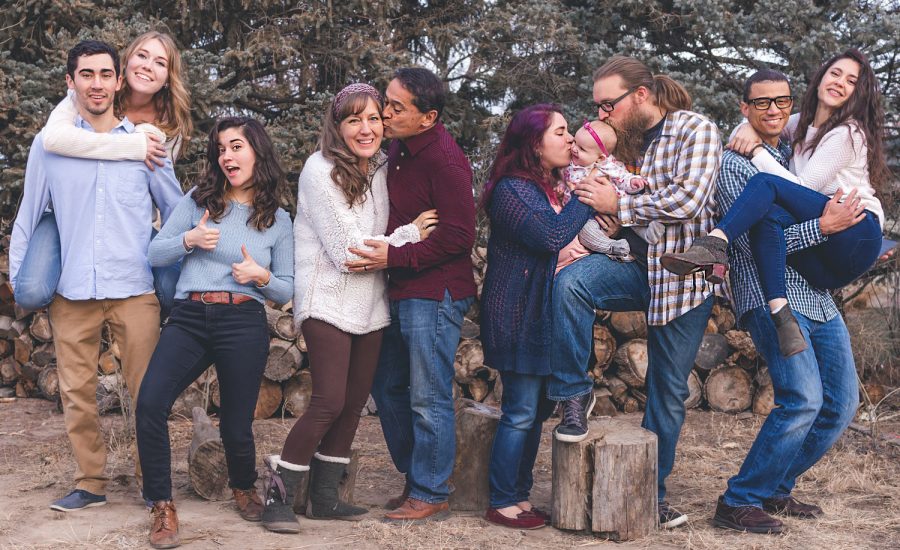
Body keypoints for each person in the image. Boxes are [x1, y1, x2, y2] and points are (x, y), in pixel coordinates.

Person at [8, 40, 183, 512]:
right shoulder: (50, 147)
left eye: (106, 74)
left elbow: (176, 211)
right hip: (73, 290)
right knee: (77, 394)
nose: (98, 83)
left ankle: (154, 484)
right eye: (87, 74)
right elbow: (30, 212)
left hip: (134, 287)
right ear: (71, 82)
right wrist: (24, 278)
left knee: (147, 393)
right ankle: (91, 483)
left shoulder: (147, 143)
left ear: (119, 80)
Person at [551, 55, 721, 528]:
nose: (601, 115)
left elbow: (689, 201)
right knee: (570, 284)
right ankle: (572, 394)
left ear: (640, 96)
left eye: (608, 104)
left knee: (666, 390)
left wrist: (619, 205)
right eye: (598, 107)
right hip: (632, 263)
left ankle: (653, 494)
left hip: (682, 277)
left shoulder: (694, 129)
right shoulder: (619, 141)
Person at [260, 83, 437, 533]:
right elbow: (347, 252)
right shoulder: (319, 170)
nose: (366, 128)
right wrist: (410, 235)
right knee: (328, 401)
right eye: (354, 119)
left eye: (374, 118)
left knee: (355, 402)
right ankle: (277, 494)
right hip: (326, 298)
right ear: (337, 126)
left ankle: (323, 498)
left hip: (370, 302)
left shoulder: (380, 167)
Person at [708, 69, 868, 534]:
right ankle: (739, 501)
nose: (773, 110)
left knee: (841, 404)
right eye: (761, 103)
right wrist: (826, 228)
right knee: (801, 399)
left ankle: (778, 486)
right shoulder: (735, 165)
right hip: (769, 294)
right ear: (744, 108)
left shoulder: (792, 158)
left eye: (782, 101)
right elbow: (754, 242)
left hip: (817, 298)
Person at [661, 49, 887, 358]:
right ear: (820, 77)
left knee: (765, 184)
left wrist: (756, 153)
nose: (840, 83)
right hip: (826, 264)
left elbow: (802, 186)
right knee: (765, 217)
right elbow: (765, 122)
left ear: (856, 93)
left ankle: (715, 242)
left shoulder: (847, 132)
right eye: (835, 73)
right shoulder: (802, 124)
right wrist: (743, 129)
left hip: (856, 228)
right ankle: (781, 311)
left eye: (851, 81)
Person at [135, 117, 293, 549]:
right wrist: (189, 239)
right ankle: (162, 505)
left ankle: (243, 487)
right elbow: (155, 252)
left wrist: (260, 276)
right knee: (150, 403)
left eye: (236, 146)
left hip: (242, 320)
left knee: (238, 422)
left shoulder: (277, 220)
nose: (227, 156)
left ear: (257, 151)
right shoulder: (198, 200)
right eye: (221, 148)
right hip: (190, 316)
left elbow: (287, 285)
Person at [347, 67, 476, 522]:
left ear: (428, 117)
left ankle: (431, 490)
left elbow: (460, 236)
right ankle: (417, 475)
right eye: (388, 99)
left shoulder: (446, 158)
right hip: (400, 289)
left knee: (428, 394)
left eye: (397, 107)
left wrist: (392, 257)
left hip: (435, 292)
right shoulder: (397, 149)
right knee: (387, 386)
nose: (385, 112)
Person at [479, 104, 605, 529]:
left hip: (539, 312)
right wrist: (588, 196)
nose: (571, 140)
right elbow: (550, 236)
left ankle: (519, 493)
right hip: (515, 313)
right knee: (519, 410)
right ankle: (501, 500)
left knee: (533, 412)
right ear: (534, 142)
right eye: (562, 133)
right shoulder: (511, 189)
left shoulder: (547, 188)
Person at [13, 31, 192, 315]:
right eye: (142, 56)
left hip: (129, 219)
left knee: (173, 289)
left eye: (160, 62)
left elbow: (165, 193)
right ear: (126, 64)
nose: (147, 65)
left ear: (168, 77)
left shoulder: (168, 129)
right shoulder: (94, 91)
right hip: (72, 213)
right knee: (32, 290)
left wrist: (180, 244)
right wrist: (132, 145)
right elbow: (53, 140)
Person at [559, 119, 666, 258]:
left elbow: (622, 177)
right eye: (575, 143)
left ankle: (647, 232)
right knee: (586, 232)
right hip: (589, 216)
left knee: (630, 213)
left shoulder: (607, 165)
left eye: (581, 149)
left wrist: (633, 182)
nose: (574, 148)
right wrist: (560, 190)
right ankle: (611, 247)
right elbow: (562, 184)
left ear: (600, 158)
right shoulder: (569, 165)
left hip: (616, 205)